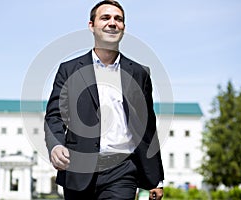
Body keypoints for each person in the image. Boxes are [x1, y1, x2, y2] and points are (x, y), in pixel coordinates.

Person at [44, 0, 164, 199]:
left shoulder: (139, 73)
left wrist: (156, 179)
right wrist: (56, 145)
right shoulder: (69, 70)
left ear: (123, 27)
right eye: (105, 17)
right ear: (91, 25)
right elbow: (54, 116)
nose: (112, 22)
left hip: (123, 170)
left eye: (118, 19)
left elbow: (148, 127)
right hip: (78, 169)